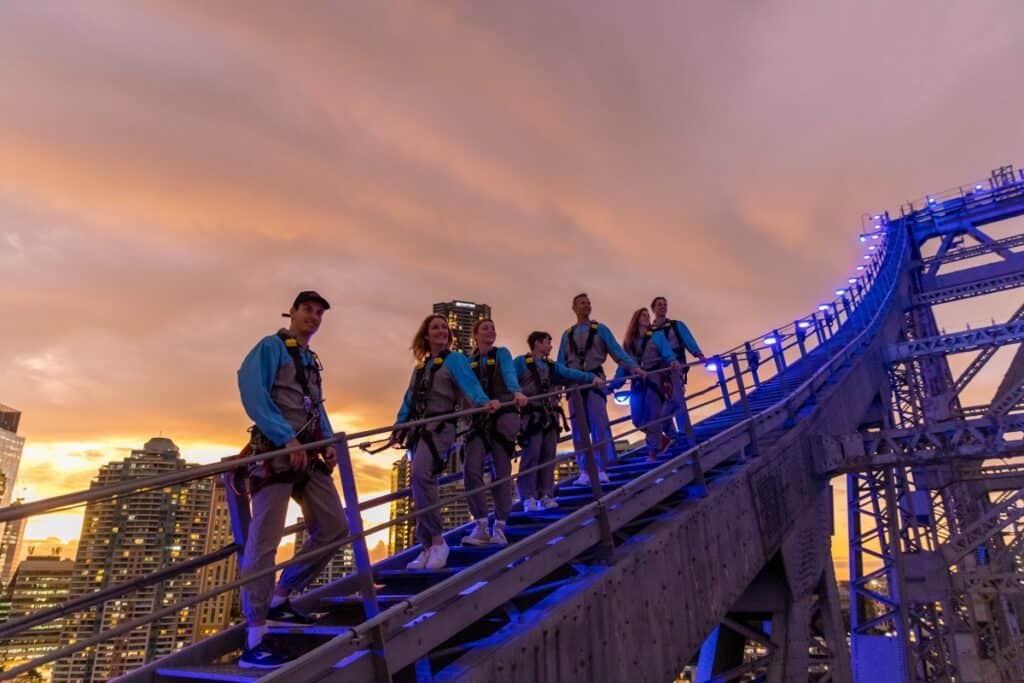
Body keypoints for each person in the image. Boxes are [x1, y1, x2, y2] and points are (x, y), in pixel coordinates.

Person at [236, 290, 349, 669]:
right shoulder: (270, 347)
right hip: (276, 451)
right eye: (307, 310)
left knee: (335, 526)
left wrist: (328, 442)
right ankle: (255, 635)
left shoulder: (311, 361)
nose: (313, 317)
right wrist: (285, 437)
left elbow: (315, 406)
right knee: (265, 539)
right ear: (293, 312)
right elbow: (252, 392)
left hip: (309, 454)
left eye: (319, 313)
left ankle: (281, 596)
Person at [390, 314, 498, 569]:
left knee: (421, 476)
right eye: (435, 328)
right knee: (419, 484)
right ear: (426, 335)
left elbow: (470, 386)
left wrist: (484, 402)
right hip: (418, 430)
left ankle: (438, 542)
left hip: (439, 428)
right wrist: (399, 425)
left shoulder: (455, 360)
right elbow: (409, 399)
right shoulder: (421, 367)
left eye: (444, 328)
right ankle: (426, 546)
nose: (440, 331)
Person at [557, 293, 640, 487]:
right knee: (579, 430)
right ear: (574, 307)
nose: (586, 306)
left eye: (588, 303)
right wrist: (556, 388)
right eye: (582, 303)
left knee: (598, 425)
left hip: (595, 381)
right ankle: (585, 470)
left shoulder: (600, 329)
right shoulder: (566, 334)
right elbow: (561, 363)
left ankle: (601, 468)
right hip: (574, 385)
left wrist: (633, 367)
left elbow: (617, 352)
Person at [514, 331, 603, 511]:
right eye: (547, 342)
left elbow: (570, 373)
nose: (550, 346)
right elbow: (510, 382)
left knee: (548, 455)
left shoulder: (551, 366)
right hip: (531, 416)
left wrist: (591, 378)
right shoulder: (520, 363)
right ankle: (528, 496)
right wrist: (517, 395)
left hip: (550, 415)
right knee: (531, 455)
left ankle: (546, 494)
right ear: (537, 343)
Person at [462, 319, 529, 546]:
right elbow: (463, 388)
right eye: (485, 328)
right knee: (471, 470)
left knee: (501, 472)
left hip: (503, 417)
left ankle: (499, 525)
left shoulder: (502, 354)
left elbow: (509, 374)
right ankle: (480, 524)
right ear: (475, 335)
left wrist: (516, 392)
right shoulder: (467, 362)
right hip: (479, 422)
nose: (491, 331)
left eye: (493, 327)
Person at [616, 308, 680, 461]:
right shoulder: (630, 343)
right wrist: (613, 385)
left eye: (647, 315)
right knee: (637, 419)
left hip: (654, 379)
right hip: (638, 383)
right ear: (636, 319)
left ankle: (652, 453)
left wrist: (672, 360)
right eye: (643, 315)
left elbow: (667, 351)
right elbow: (623, 365)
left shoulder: (657, 336)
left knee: (653, 417)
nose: (646, 317)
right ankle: (667, 439)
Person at [650, 296, 707, 434]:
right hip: (658, 370)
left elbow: (688, 340)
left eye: (665, 305)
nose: (663, 307)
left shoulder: (676, 325)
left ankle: (684, 431)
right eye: (659, 305)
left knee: (677, 398)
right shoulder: (649, 332)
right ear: (653, 309)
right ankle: (671, 434)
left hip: (675, 367)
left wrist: (699, 355)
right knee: (662, 401)